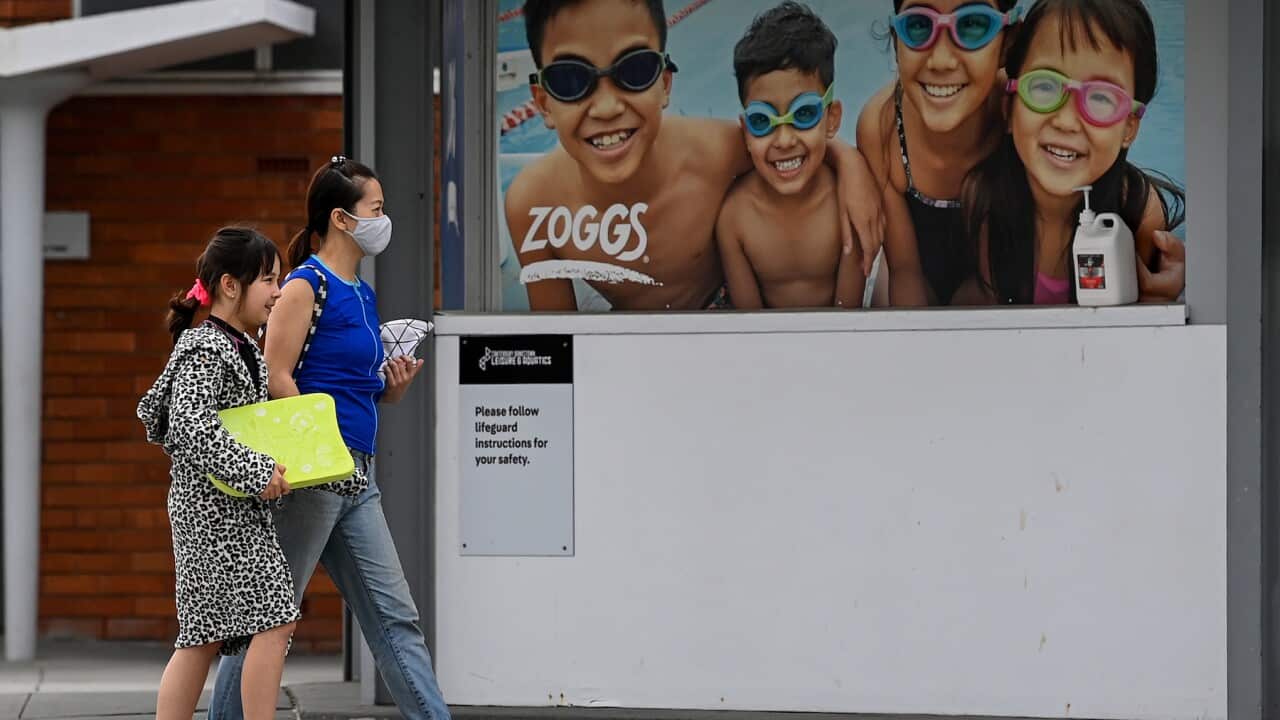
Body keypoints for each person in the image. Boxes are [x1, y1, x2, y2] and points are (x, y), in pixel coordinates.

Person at [209, 157, 449, 720]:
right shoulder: (305, 285)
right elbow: (276, 375)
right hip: (313, 476)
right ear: (342, 218)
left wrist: (390, 387)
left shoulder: (362, 292)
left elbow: (354, 386)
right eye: (376, 209)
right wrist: (319, 448)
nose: (384, 220)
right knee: (269, 618)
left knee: (394, 617)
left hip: (356, 474)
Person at [508, 0, 885, 312]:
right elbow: (555, 345)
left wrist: (851, 165)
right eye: (570, 80)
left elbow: (784, 143)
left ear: (664, 83)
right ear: (542, 102)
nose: (607, 108)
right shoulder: (533, 204)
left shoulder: (714, 152)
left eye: (635, 70)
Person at [136, 227, 294, 720]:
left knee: (204, 636)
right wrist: (255, 471)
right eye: (268, 280)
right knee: (272, 618)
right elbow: (189, 423)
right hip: (213, 518)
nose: (278, 292)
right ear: (230, 285)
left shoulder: (237, 344)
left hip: (223, 513)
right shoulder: (208, 347)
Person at [952, 0, 1185, 305]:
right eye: (1044, 87)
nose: (1066, 121)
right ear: (1009, 108)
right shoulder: (985, 198)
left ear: (1129, 128)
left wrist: (1156, 299)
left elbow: (1138, 325)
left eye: (1101, 97)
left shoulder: (1136, 214)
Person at [716, 1, 864, 310]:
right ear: (745, 131)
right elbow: (749, 324)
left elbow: (847, 315)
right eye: (761, 120)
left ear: (832, 119)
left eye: (804, 114)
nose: (784, 140)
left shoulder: (849, 204)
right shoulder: (735, 218)